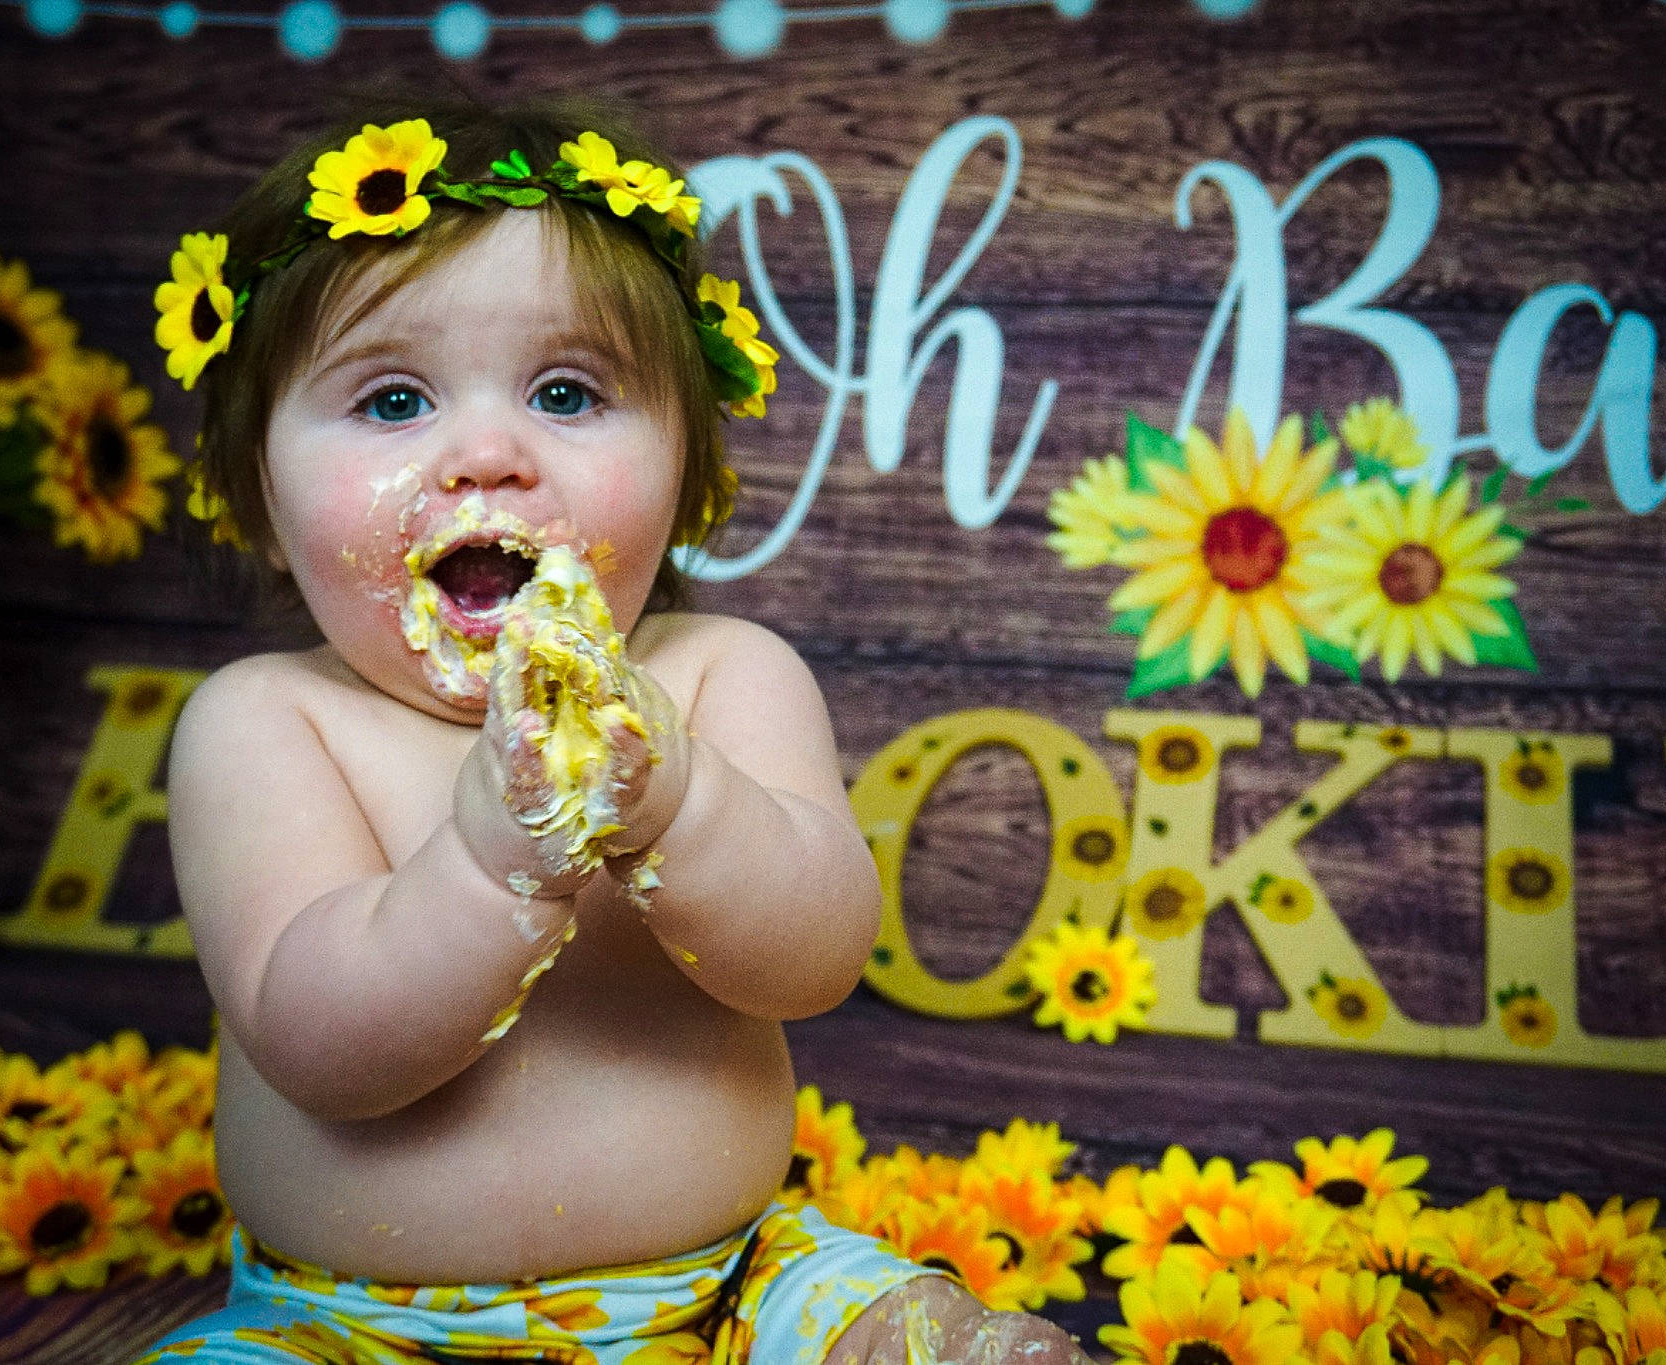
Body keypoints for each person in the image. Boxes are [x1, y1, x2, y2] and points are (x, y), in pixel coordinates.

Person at [135, 100, 1089, 1365]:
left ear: (688, 478)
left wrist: (681, 807)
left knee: (895, 1330)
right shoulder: (264, 724)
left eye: (567, 391)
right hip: (350, 1322)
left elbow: (814, 962)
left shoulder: (715, 680)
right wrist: (495, 861)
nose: (487, 454)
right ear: (258, 499)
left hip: (731, 1285)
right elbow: (319, 1048)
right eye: (394, 399)